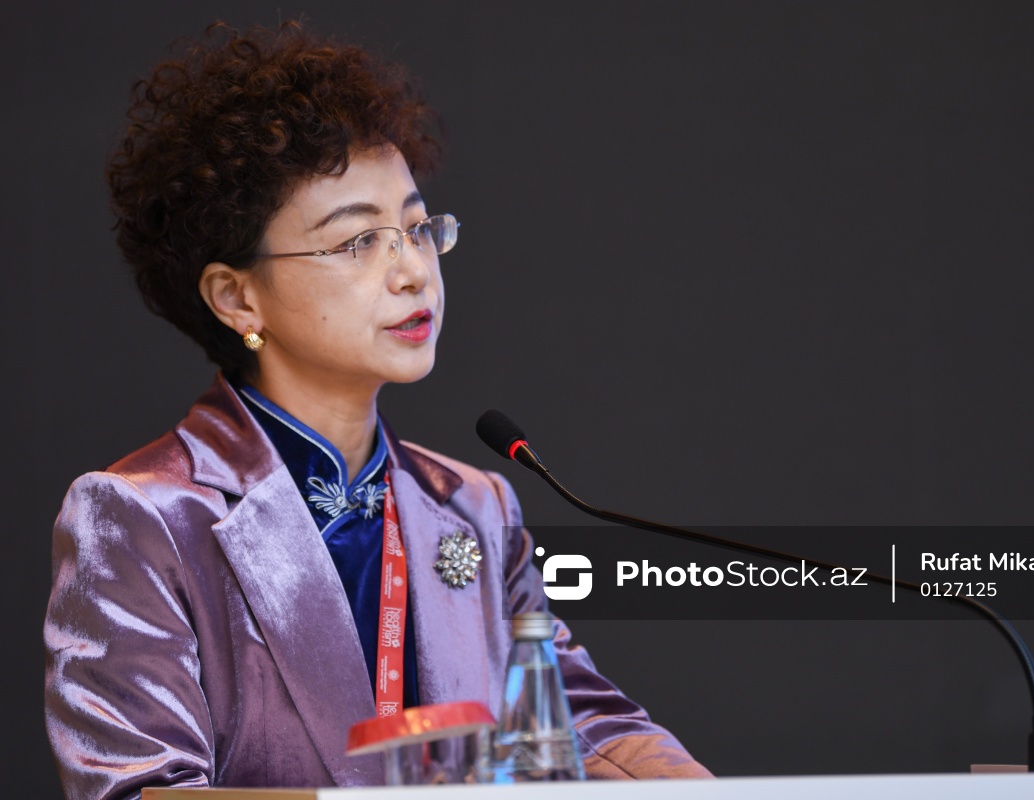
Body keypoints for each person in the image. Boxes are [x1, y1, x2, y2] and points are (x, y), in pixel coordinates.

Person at [43, 21, 711, 799]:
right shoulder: (142, 516)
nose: (412, 271)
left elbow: (583, 731)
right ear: (237, 296)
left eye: (418, 229)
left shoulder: (476, 506)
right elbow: (139, 791)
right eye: (359, 242)